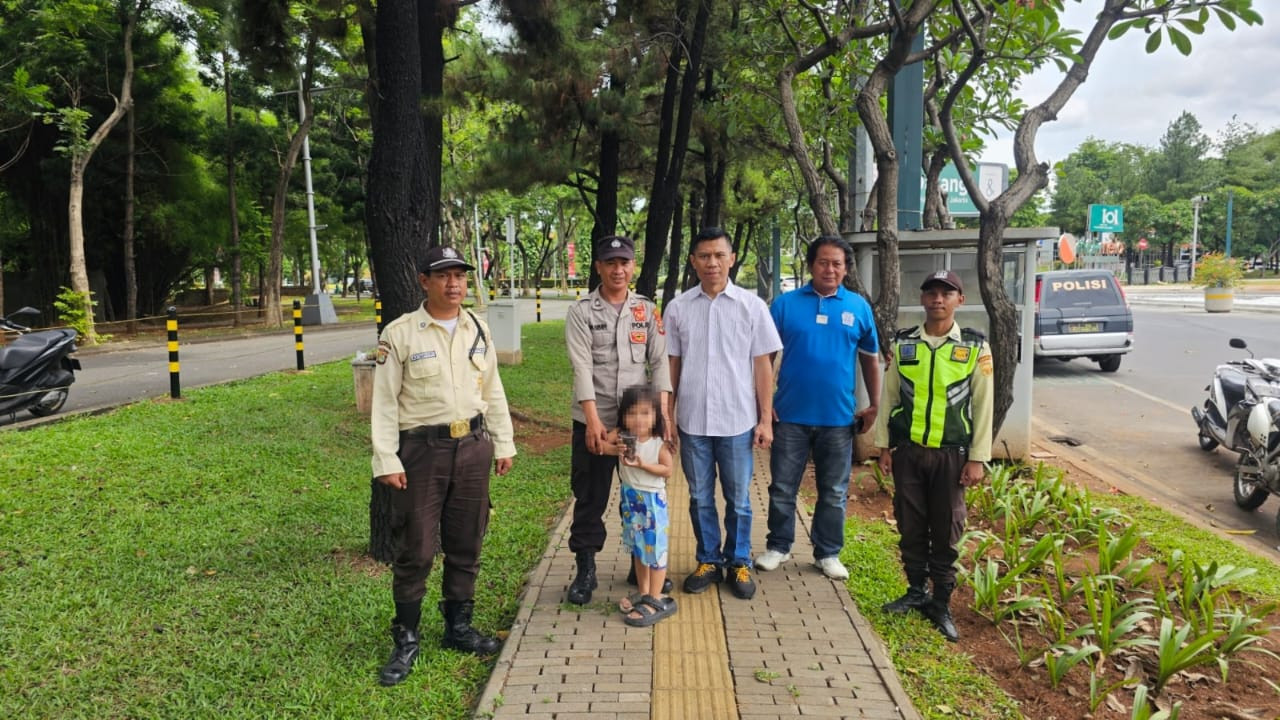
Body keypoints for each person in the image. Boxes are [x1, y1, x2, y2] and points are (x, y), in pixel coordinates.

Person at [369, 245, 516, 686]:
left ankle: (458, 626)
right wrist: (386, 458)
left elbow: (492, 390)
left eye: (460, 276)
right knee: (416, 547)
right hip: (421, 452)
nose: (454, 284)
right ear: (424, 281)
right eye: (443, 275)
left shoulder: (477, 329)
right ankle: (407, 637)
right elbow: (384, 403)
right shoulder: (400, 334)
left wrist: (503, 443)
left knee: (467, 541)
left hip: (472, 446)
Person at [873, 269, 993, 642]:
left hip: (951, 456)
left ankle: (940, 601)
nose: (937, 299)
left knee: (946, 528)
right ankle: (914, 591)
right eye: (931, 293)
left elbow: (983, 404)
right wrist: (883, 448)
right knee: (910, 524)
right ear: (922, 299)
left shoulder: (975, 346)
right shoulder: (905, 344)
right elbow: (889, 397)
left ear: (960, 300)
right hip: (908, 452)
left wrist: (978, 458)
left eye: (946, 293)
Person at [665, 227, 782, 600]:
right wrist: (667, 416)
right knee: (699, 497)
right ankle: (708, 560)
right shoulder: (679, 307)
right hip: (693, 422)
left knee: (739, 498)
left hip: (737, 422)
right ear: (693, 261)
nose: (712, 262)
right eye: (704, 256)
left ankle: (739, 560)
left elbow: (763, 365)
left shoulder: (752, 306)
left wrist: (765, 419)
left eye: (719, 255)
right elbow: (672, 364)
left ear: (732, 259)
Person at [755, 236, 882, 580]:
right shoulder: (784, 305)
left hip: (839, 419)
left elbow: (871, 359)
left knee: (835, 491)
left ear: (845, 269)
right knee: (782, 487)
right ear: (811, 264)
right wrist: (763, 407)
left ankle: (827, 553)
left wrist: (874, 404)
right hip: (790, 416)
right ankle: (778, 546)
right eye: (823, 262)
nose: (830, 269)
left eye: (837, 263)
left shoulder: (858, 307)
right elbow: (763, 359)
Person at [563, 235, 672, 605]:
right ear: (599, 267)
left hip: (636, 425)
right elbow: (582, 366)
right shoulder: (581, 312)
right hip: (593, 419)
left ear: (633, 266)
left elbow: (658, 363)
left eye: (624, 262)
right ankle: (586, 568)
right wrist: (592, 420)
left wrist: (663, 416)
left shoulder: (646, 310)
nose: (618, 270)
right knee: (591, 496)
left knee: (637, 494)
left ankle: (639, 564)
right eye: (610, 263)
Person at [611, 385, 678, 626]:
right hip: (631, 500)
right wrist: (615, 446)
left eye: (645, 413)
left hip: (652, 503)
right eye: (631, 413)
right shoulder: (624, 438)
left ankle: (655, 598)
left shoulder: (659, 443)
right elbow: (602, 444)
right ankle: (644, 591)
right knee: (639, 550)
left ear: (655, 417)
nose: (638, 419)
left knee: (656, 551)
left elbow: (667, 470)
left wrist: (642, 466)